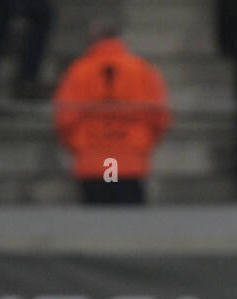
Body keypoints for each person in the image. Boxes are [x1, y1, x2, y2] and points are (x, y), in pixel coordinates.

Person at [52, 19, 170, 204]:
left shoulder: (78, 71)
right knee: (127, 219)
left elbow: (64, 118)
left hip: (92, 157)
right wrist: (144, 143)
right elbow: (159, 116)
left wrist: (77, 146)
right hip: (130, 158)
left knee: (98, 218)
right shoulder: (142, 69)